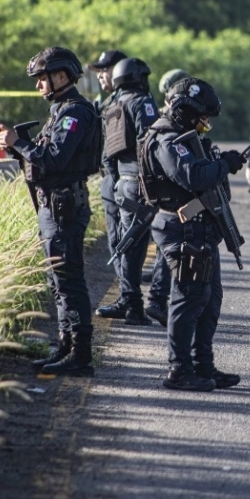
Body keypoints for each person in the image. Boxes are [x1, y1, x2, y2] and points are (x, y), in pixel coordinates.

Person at [0, 46, 98, 376]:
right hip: (53, 206)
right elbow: (41, 157)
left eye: (42, 78)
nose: (38, 85)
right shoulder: (61, 109)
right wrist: (16, 147)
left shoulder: (74, 113)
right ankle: (66, 346)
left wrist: (18, 142)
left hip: (64, 208)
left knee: (69, 282)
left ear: (62, 76)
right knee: (57, 281)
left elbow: (53, 158)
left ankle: (80, 356)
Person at [139, 77, 246, 391]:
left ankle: (203, 366)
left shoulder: (184, 137)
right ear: (186, 110)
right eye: (203, 116)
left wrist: (223, 162)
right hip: (181, 227)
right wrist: (225, 164)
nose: (206, 122)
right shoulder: (167, 138)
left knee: (209, 300)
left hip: (198, 229)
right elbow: (192, 176)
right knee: (188, 300)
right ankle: (179, 370)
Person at [94, 57, 159, 324]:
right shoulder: (141, 102)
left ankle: (127, 300)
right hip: (139, 182)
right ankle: (133, 306)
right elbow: (152, 143)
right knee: (134, 244)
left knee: (125, 242)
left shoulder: (112, 105)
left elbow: (107, 153)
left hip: (119, 182)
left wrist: (117, 180)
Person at [141, 68, 191, 325]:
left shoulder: (164, 119)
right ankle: (159, 300)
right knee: (170, 247)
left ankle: (158, 300)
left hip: (162, 197)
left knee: (164, 248)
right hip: (173, 199)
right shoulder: (172, 122)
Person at [87, 49, 127, 282]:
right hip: (109, 179)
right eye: (99, 71)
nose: (101, 75)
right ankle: (126, 294)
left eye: (105, 70)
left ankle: (132, 299)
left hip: (124, 179)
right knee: (115, 238)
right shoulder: (108, 102)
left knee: (126, 240)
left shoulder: (129, 101)